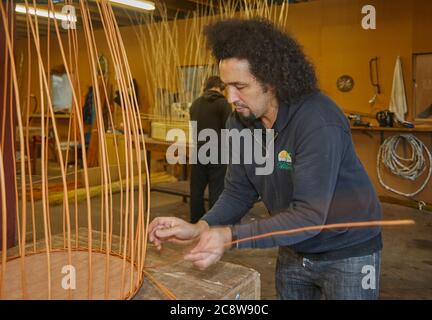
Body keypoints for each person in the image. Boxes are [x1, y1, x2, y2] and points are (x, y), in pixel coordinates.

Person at [148, 18, 382, 300]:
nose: (231, 97)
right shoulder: (241, 121)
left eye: (240, 86)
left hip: (347, 252)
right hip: (294, 247)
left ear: (272, 81)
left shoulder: (317, 120)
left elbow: (309, 217)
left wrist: (229, 236)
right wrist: (202, 227)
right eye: (226, 86)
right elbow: (238, 191)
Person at [189, 76, 232, 223]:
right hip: (218, 153)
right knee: (217, 190)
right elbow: (229, 129)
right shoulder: (223, 104)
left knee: (196, 190)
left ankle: (196, 221)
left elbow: (193, 129)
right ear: (220, 88)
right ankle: (212, 222)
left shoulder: (195, 104)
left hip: (199, 151)